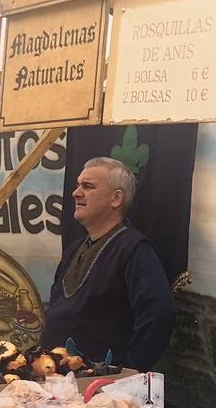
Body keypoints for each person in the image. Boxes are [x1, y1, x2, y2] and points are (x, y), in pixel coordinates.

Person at [40, 157, 175, 370]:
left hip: (98, 389)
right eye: (77, 185)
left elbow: (159, 316)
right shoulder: (75, 248)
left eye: (88, 186)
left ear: (116, 198)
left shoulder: (134, 249)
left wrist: (128, 373)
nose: (76, 193)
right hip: (55, 380)